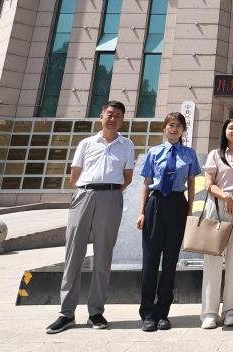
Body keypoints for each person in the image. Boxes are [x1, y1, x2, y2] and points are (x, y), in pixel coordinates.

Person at [46, 101, 135, 334]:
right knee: (73, 253)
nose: (113, 119)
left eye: (118, 115)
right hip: (84, 194)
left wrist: (109, 191)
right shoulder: (86, 143)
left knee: (103, 255)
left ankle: (95, 311)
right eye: (109, 114)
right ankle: (66, 313)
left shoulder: (127, 145)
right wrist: (89, 189)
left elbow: (127, 176)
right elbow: (74, 176)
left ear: (122, 120)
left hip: (111, 197)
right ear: (101, 116)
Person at [136, 112, 200, 332]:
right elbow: (147, 183)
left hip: (177, 205)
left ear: (183, 130)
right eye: (171, 125)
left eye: (179, 126)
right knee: (150, 261)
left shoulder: (189, 154)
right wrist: (141, 212)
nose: (174, 129)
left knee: (170, 261)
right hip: (155, 204)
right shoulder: (154, 152)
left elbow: (192, 183)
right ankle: (147, 313)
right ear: (164, 128)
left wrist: (190, 211)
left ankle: (163, 313)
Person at [200, 116, 233, 330]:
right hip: (218, 205)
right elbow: (208, 183)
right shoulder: (215, 154)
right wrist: (225, 197)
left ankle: (231, 310)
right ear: (224, 132)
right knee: (212, 259)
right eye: (231, 127)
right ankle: (209, 312)